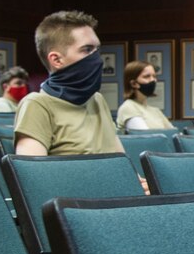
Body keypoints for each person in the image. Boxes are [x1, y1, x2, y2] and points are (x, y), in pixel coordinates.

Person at [15, 10, 127, 158]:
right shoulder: (37, 105)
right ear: (56, 60)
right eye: (87, 49)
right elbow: (32, 176)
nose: (97, 58)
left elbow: (121, 161)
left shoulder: (97, 100)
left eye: (97, 50)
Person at [117, 60, 175, 132]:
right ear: (133, 83)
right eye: (147, 76)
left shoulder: (156, 111)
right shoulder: (128, 107)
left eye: (154, 76)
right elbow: (147, 137)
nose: (153, 80)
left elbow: (174, 133)